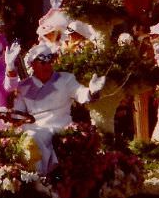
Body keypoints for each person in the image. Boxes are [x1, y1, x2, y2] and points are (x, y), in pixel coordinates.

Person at [6, 43, 104, 174]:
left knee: (32, 139)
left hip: (59, 125)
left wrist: (92, 92)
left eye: (49, 61)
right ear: (32, 64)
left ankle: (40, 177)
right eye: (42, 62)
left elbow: (81, 93)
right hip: (33, 126)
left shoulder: (65, 79)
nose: (47, 66)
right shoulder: (23, 86)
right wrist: (10, 118)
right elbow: (18, 113)